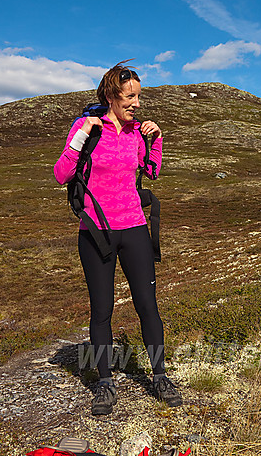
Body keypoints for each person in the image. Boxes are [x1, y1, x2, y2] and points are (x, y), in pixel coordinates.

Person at [53, 60, 182, 416]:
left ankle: (160, 376)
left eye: (138, 97)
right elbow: (62, 174)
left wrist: (155, 140)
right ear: (111, 95)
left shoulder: (136, 132)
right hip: (96, 231)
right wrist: (80, 137)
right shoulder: (87, 128)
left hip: (135, 228)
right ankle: (105, 383)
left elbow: (151, 172)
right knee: (102, 309)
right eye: (130, 97)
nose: (136, 104)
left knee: (147, 304)